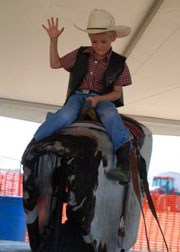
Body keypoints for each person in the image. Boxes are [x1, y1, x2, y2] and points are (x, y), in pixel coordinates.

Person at [23, 9, 132, 183]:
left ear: (113, 38)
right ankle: (32, 147)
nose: (98, 46)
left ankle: (124, 164)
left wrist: (97, 99)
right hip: (79, 96)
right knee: (64, 115)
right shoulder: (80, 54)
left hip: (102, 98)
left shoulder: (119, 63)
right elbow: (55, 63)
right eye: (94, 41)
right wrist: (53, 40)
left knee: (111, 115)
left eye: (103, 41)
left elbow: (116, 93)